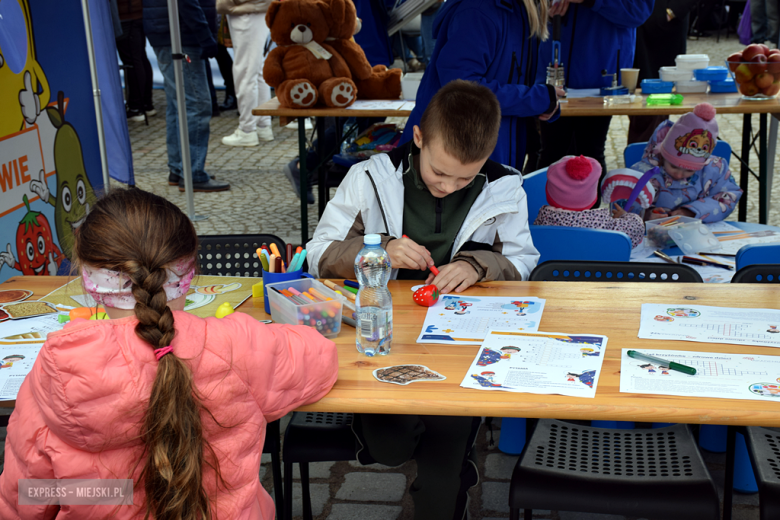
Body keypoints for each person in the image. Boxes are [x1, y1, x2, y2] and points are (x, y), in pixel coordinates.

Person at [0, 188, 338, 519]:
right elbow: (322, 358)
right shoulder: (235, 344)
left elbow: (29, 496)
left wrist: (120, 492)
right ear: (188, 276)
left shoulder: (57, 369)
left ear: (88, 278)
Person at [307, 80, 539, 520]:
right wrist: (378, 250)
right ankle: (434, 444)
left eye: (465, 177)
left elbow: (524, 261)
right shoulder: (370, 177)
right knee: (389, 446)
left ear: (485, 160)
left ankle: (448, 478)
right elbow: (318, 253)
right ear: (418, 139)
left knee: (441, 467)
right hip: (381, 338)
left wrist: (477, 265)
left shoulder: (505, 187)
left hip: (461, 345)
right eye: (439, 172)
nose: (449, 186)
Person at [398, 0, 563, 173]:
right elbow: (461, 89)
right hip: (455, 157)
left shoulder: (519, 9)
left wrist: (544, 100)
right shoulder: (478, 9)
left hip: (486, 152)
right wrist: (535, 99)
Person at [535, 0, 653, 204]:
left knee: (589, 153)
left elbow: (638, 12)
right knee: (551, 152)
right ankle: (537, 225)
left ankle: (589, 227)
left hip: (600, 76)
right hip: (551, 67)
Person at [143, 0, 230, 192]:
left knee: (177, 104)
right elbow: (186, 3)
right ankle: (193, 173)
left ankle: (179, 169)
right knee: (197, 105)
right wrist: (206, 37)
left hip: (167, 31)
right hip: (181, 34)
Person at [631, 103, 743, 222]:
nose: (679, 175)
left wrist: (693, 211)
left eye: (689, 170)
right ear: (664, 156)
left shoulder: (715, 169)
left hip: (700, 234)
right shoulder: (644, 171)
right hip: (652, 233)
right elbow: (624, 201)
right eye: (673, 166)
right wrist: (646, 215)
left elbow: (728, 196)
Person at [533, 155, 645, 247]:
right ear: (594, 197)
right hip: (596, 273)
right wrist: (626, 216)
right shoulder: (603, 223)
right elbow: (636, 229)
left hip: (551, 273)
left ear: (549, 194)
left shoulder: (543, 219)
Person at [628, 0, 698, 144]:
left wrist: (672, 12)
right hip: (635, 17)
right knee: (635, 90)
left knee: (658, 91)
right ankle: (642, 153)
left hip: (665, 23)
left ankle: (649, 154)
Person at [218, 0, 274, 147]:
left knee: (246, 71)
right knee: (254, 70)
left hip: (247, 10)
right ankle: (262, 125)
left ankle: (248, 129)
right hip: (251, 10)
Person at [116, 0, 156, 122]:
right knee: (139, 58)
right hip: (136, 14)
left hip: (127, 16)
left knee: (133, 61)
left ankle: (137, 107)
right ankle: (145, 104)